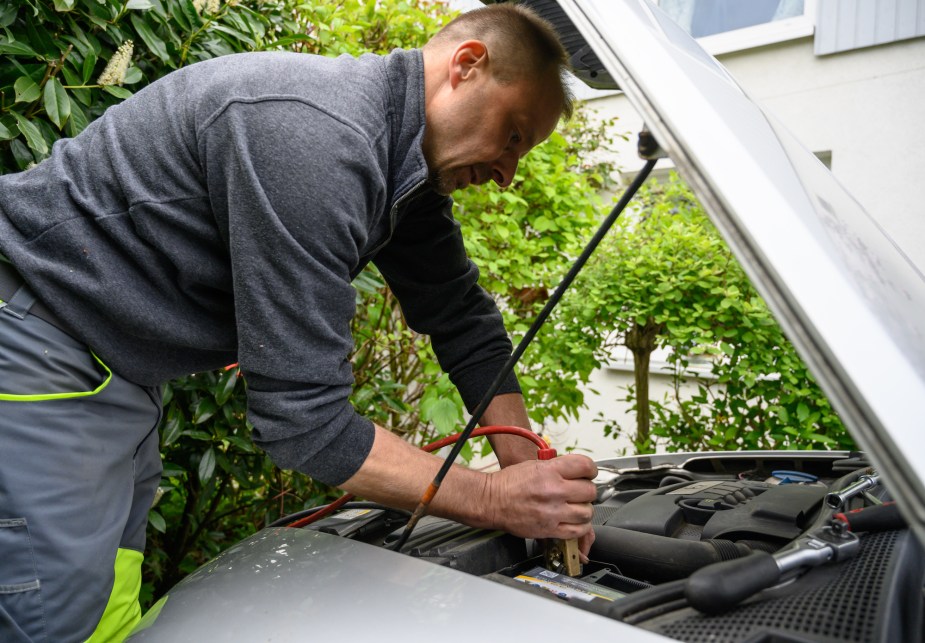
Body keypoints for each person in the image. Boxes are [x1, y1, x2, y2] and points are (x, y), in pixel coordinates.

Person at [0, 4, 598, 640]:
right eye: (512, 136)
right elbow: (305, 423)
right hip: (39, 346)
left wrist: (523, 468)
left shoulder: (398, 163)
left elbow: (461, 317)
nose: (506, 176)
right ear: (467, 66)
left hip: (115, 372)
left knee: (104, 600)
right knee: (50, 621)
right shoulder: (317, 137)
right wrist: (493, 500)